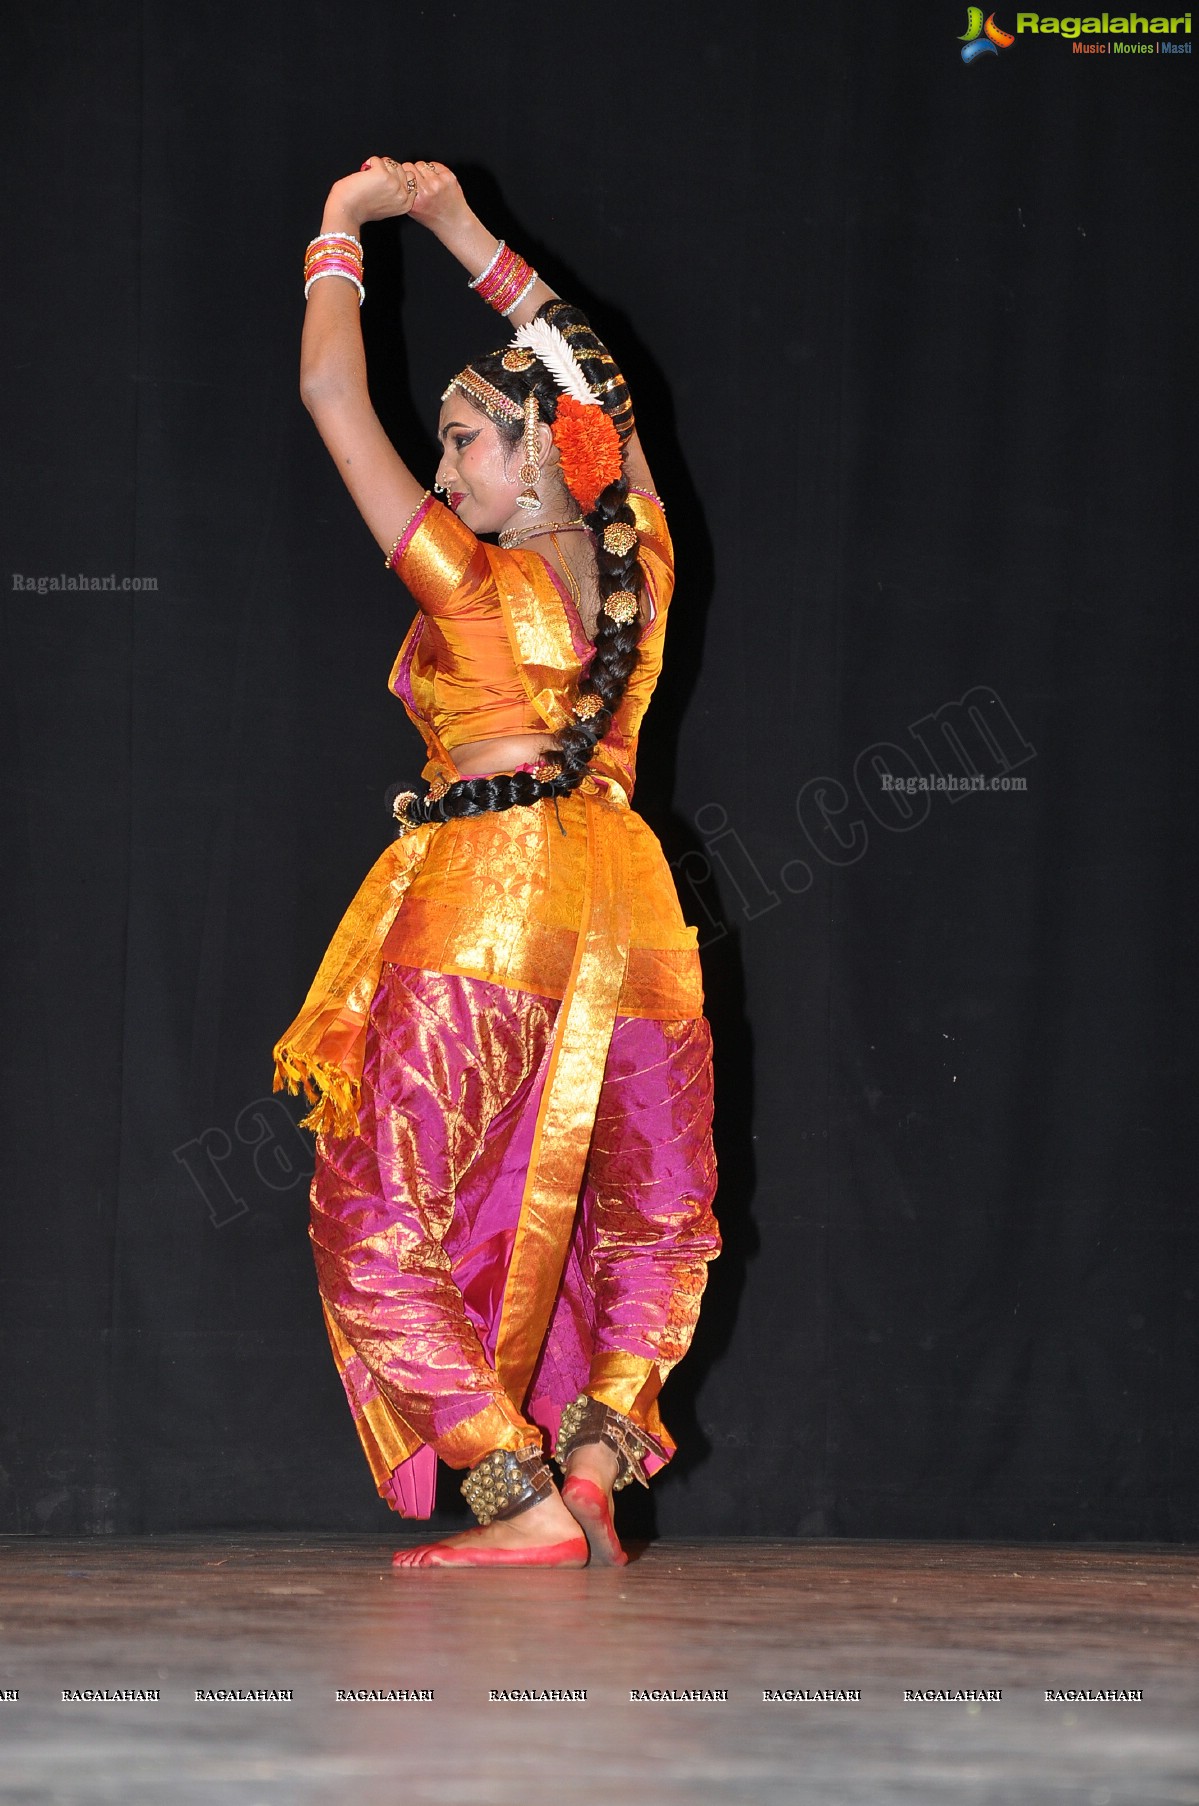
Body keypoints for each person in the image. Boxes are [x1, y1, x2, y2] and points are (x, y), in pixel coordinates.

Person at [273, 156, 719, 1568]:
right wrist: (460, 228)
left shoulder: (473, 585)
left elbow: (331, 401)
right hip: (637, 904)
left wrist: (341, 237)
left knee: (374, 1208)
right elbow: (599, 387)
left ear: (539, 457)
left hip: (492, 894)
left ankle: (513, 1493)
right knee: (651, 1209)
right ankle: (597, 1461)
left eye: (469, 440)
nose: (446, 459)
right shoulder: (639, 560)